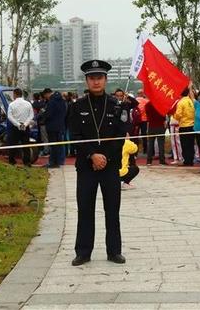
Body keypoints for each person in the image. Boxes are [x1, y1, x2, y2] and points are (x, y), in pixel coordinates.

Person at [69, 59, 128, 266]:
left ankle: (114, 251)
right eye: (92, 78)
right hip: (86, 167)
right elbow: (75, 136)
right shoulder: (77, 107)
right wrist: (92, 155)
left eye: (99, 78)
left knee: (112, 210)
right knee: (85, 209)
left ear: (105, 80)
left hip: (110, 167)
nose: (96, 82)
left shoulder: (117, 106)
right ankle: (83, 252)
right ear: (86, 81)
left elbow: (121, 136)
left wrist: (104, 158)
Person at [6, 88, 34, 167]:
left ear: (15, 94)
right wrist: (25, 124)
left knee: (13, 144)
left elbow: (9, 116)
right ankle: (27, 162)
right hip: (25, 126)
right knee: (26, 144)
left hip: (15, 127)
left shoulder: (12, 104)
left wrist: (18, 124)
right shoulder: (28, 104)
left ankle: (12, 161)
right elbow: (31, 115)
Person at [43, 90, 67, 168]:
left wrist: (43, 118)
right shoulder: (63, 102)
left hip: (52, 127)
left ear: (48, 94)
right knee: (59, 145)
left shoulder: (51, 102)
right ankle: (60, 161)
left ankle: (53, 162)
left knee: (53, 145)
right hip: (61, 126)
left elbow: (48, 114)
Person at [174, 86, 195, 166]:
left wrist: (174, 115)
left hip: (184, 125)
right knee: (191, 144)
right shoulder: (190, 101)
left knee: (185, 144)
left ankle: (187, 161)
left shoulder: (181, 102)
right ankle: (191, 160)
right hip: (192, 125)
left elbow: (178, 115)